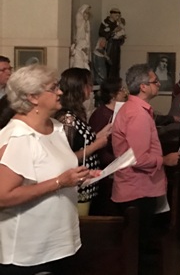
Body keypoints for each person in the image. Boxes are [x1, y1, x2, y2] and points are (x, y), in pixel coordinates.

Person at [0, 65, 95, 274]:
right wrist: (60, 182)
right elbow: (3, 197)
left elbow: (55, 171)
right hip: (30, 250)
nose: (60, 92)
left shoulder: (56, 127)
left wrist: (79, 177)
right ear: (33, 97)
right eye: (53, 88)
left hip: (59, 241)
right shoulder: (20, 136)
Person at [111, 64, 180, 272]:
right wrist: (164, 160)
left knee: (142, 245)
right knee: (143, 248)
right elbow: (139, 159)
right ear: (143, 86)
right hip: (138, 190)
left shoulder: (134, 110)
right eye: (154, 81)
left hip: (137, 187)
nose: (158, 84)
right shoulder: (137, 114)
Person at [55, 67, 112, 216]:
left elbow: (81, 142)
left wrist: (99, 135)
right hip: (79, 186)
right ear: (79, 87)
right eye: (88, 85)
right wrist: (96, 145)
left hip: (88, 182)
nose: (91, 89)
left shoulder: (76, 113)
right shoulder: (67, 118)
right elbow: (67, 156)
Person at [88, 76, 129, 167]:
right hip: (107, 165)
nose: (125, 93)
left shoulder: (119, 111)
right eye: (121, 90)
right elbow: (99, 147)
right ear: (112, 95)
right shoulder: (101, 115)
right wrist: (117, 162)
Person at [98, 7, 126, 78]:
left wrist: (121, 37)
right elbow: (102, 34)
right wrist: (114, 31)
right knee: (109, 63)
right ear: (111, 14)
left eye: (118, 16)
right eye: (116, 15)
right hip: (109, 45)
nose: (117, 17)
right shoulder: (105, 23)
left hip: (116, 45)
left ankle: (115, 79)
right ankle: (108, 79)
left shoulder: (117, 23)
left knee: (116, 64)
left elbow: (122, 36)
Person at [70, 4, 92, 70]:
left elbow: (87, 31)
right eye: (86, 11)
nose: (87, 13)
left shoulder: (87, 21)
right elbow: (78, 25)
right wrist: (84, 20)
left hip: (84, 40)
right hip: (79, 38)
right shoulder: (79, 16)